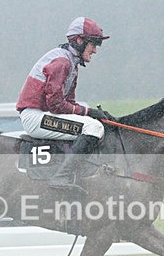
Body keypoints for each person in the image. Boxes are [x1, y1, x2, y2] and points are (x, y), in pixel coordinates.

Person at [16, 16, 114, 193]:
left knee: (94, 124)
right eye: (93, 44)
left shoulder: (72, 63)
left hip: (43, 114)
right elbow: (55, 104)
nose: (95, 50)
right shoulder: (62, 62)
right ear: (79, 40)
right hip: (36, 117)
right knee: (94, 129)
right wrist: (87, 111)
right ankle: (62, 176)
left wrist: (89, 113)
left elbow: (68, 103)